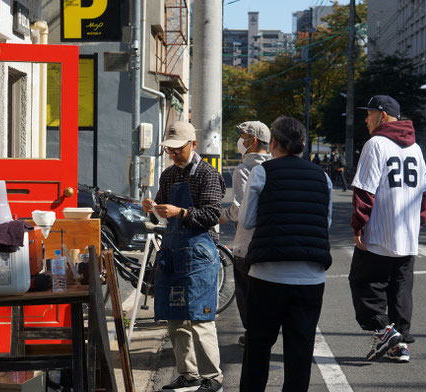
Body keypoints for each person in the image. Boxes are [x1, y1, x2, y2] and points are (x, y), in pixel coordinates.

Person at [238, 116, 332, 392]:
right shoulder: (323, 177)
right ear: (303, 144)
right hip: (310, 279)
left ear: (274, 143)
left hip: (268, 276)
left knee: (258, 347)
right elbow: (323, 224)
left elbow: (247, 220)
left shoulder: (263, 172)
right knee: (300, 352)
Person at [142, 121, 225, 392]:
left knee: (201, 318)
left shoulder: (207, 174)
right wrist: (151, 208)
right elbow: (161, 211)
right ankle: (188, 374)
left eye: (178, 149)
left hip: (200, 253)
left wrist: (182, 213)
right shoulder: (168, 175)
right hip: (173, 250)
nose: (173, 154)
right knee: (175, 316)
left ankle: (213, 378)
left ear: (193, 145)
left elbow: (213, 214)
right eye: (170, 149)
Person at [349, 95, 426, 363]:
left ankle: (384, 331)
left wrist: (358, 225)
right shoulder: (415, 148)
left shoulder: (376, 144)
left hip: (380, 232)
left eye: (369, 114)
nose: (366, 119)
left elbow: (365, 190)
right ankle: (400, 343)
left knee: (365, 283)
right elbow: (425, 193)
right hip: (407, 233)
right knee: (400, 289)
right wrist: (419, 222)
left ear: (383, 116)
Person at [219, 120, 272, 348]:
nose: (240, 140)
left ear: (252, 141)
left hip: (247, 240)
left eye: (243, 136)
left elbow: (240, 209)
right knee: (266, 291)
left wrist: (222, 215)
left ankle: (253, 334)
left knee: (246, 292)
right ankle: (267, 331)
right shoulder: (275, 166)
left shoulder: (244, 169)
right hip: (271, 239)